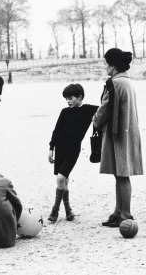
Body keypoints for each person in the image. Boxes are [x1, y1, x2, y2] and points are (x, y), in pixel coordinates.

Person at [92, 48, 143, 228]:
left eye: (106, 63)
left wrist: (95, 120)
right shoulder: (126, 81)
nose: (105, 67)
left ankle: (125, 213)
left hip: (118, 134)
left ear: (113, 65)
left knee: (122, 175)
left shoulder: (115, 83)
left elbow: (105, 108)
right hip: (128, 131)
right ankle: (119, 211)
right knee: (120, 174)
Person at [48, 84, 98, 222]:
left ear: (80, 97)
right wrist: (51, 149)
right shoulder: (64, 111)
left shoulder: (88, 110)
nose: (68, 101)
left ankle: (55, 209)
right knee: (65, 180)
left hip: (73, 150)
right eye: (66, 99)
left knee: (60, 179)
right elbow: (56, 130)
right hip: (60, 149)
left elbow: (104, 109)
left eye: (70, 98)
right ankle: (69, 211)